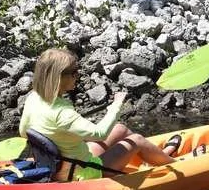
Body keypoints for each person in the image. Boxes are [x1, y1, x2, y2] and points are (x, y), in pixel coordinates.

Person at [19, 47, 177, 180]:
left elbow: (24, 132)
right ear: (58, 77)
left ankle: (156, 156)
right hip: (83, 173)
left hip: (61, 164)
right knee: (137, 140)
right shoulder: (63, 112)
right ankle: (174, 162)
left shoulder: (33, 98)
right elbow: (100, 133)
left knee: (120, 129)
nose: (77, 76)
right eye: (73, 72)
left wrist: (61, 139)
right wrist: (116, 106)